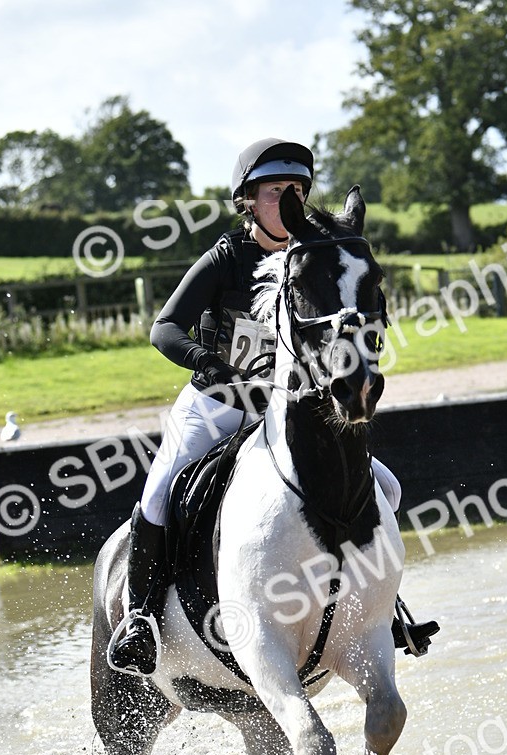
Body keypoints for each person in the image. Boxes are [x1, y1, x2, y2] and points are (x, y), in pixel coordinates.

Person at [109, 137, 438, 676]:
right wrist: (210, 363)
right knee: (159, 494)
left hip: (279, 411)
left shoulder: (315, 260)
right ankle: (142, 619)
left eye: (297, 190)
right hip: (215, 404)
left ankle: (385, 608)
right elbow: (163, 328)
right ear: (248, 200)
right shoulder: (226, 258)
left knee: (384, 488)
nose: (289, 197)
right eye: (275, 190)